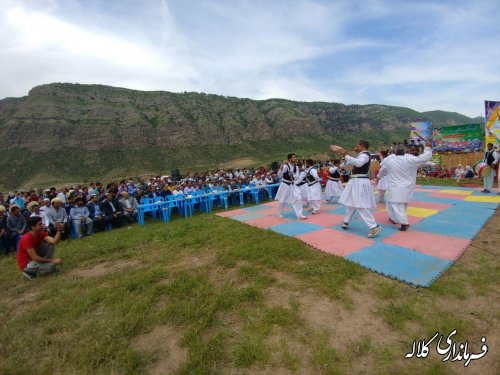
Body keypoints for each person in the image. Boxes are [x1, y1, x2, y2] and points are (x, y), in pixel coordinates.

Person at [378, 143, 432, 231]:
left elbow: (382, 169)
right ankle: (395, 219)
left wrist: (378, 177)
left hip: (395, 187)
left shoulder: (389, 161)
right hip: (407, 187)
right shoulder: (410, 160)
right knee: (401, 204)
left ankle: (403, 222)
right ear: (404, 152)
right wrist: (428, 148)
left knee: (394, 204)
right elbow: (425, 158)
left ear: (395, 153)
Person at [334, 140, 382, 238]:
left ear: (362, 146)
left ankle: (374, 226)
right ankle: (346, 221)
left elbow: (358, 164)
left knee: (359, 204)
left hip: (359, 182)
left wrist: (345, 154)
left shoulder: (364, 155)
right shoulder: (361, 155)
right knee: (351, 202)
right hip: (356, 181)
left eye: (357, 145)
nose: (355, 147)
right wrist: (343, 154)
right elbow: (348, 164)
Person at [275, 153, 306, 219]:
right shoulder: (285, 166)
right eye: (293, 157)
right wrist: (280, 169)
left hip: (292, 185)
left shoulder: (296, 167)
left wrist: (293, 174)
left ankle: (299, 214)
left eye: (295, 157)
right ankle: (279, 213)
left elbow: (297, 177)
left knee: (298, 197)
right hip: (285, 185)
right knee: (283, 200)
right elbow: (279, 176)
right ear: (289, 159)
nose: (295, 158)